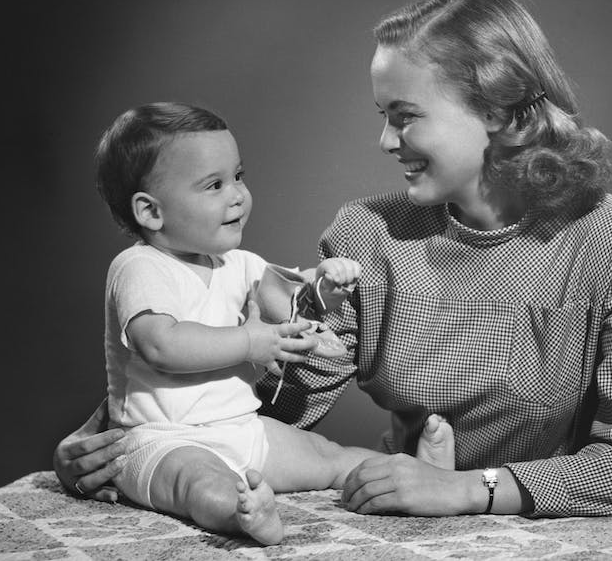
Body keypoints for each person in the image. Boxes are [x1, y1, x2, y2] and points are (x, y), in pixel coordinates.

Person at [54, 0, 612, 520]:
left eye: (405, 117)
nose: (385, 140)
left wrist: (468, 489)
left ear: (502, 114)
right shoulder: (366, 234)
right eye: (383, 115)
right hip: (402, 516)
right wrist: (120, 438)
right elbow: (278, 411)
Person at [69, 101, 454, 545]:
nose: (237, 194)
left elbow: (290, 305)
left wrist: (324, 288)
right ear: (151, 212)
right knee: (198, 483)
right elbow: (162, 344)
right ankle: (243, 515)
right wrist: (250, 341)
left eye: (238, 176)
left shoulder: (239, 263)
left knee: (328, 455)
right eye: (213, 185)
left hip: (241, 426)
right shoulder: (139, 267)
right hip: (162, 439)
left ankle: (418, 476)